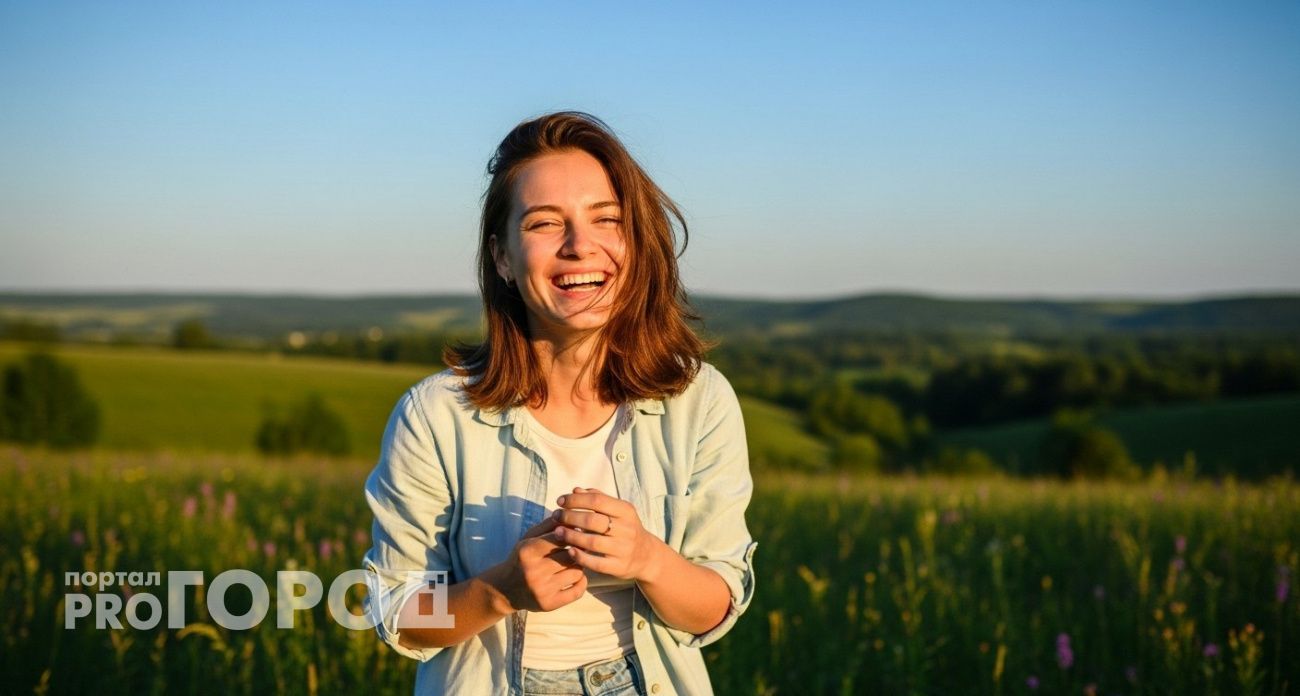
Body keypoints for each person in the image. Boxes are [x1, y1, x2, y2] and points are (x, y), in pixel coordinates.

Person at [362, 111, 757, 696]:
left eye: (607, 219)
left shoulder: (700, 401)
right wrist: (498, 590)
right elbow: (399, 616)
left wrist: (648, 558)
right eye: (546, 224)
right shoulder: (434, 416)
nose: (580, 246)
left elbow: (714, 608)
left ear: (636, 242)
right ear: (502, 258)